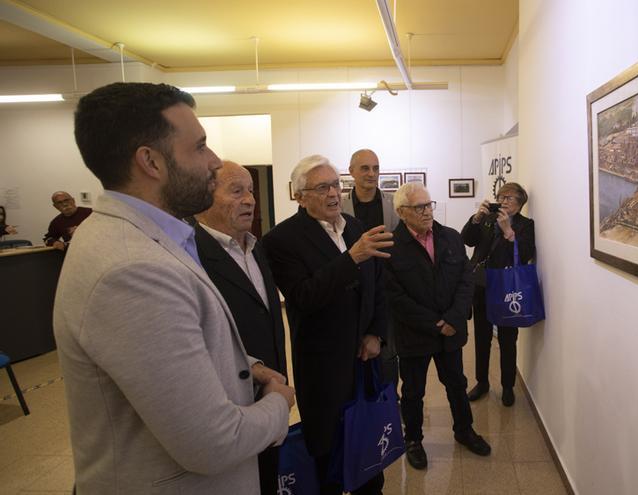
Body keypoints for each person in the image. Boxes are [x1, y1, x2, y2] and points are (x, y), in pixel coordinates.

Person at [54, 82, 295, 494]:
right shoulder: (132, 269)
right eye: (200, 147)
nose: (215, 161)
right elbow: (213, 443)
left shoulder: (147, 237)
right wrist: (278, 402)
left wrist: (247, 366)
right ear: (151, 161)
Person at [262, 154, 392, 495]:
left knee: (368, 455)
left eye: (336, 185)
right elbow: (304, 296)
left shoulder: (355, 227)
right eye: (322, 187)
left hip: (365, 360)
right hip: (323, 369)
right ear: (300, 196)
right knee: (328, 458)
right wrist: (351, 259)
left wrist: (375, 332)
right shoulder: (280, 240)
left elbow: (378, 285)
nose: (334, 193)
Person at [193, 160, 288, 495]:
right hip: (228, 399)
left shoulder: (255, 247)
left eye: (250, 190)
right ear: (206, 196)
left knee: (268, 476)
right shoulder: (192, 255)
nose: (250, 200)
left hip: (271, 390)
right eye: (236, 191)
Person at [384, 182, 491, 470]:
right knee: (413, 391)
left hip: (451, 333)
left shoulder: (451, 237)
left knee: (456, 384)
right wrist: (435, 324)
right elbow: (395, 298)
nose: (427, 212)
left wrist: (454, 319)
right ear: (402, 212)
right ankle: (414, 440)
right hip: (415, 335)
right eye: (419, 207)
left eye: (429, 205)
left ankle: (464, 430)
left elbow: (466, 281)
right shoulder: (392, 247)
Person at [462, 182, 536, 407]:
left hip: (507, 288)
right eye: (501, 196)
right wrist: (476, 218)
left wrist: (508, 232)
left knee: (507, 338)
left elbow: (525, 255)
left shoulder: (525, 225)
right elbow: (467, 239)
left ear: (520, 203)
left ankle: (507, 387)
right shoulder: (487, 218)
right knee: (482, 337)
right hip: (482, 285)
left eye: (509, 198)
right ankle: (482, 382)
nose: (503, 201)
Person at [341, 148, 400, 389]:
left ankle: (388, 404)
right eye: (365, 168)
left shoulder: (393, 204)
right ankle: (359, 406)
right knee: (353, 352)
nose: (371, 173)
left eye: (375, 168)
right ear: (352, 171)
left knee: (387, 353)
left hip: (386, 291)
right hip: (351, 291)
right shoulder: (340, 207)